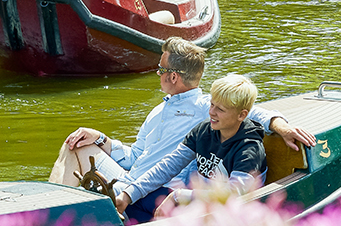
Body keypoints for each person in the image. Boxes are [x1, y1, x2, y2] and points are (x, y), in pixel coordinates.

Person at [50, 38, 315, 222]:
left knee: (78, 151)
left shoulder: (204, 109)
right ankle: (51, 206)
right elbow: (137, 158)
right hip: (137, 182)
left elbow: (252, 111)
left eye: (159, 69)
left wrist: (281, 126)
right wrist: (102, 139)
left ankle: (52, 214)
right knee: (78, 142)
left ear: (173, 75)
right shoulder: (161, 111)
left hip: (157, 191)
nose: (214, 111)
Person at [110, 74, 269, 218]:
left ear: (242, 114)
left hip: (226, 218)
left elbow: (233, 194)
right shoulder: (204, 130)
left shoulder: (249, 149)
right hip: (197, 205)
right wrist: (128, 194)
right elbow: (170, 164)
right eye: (212, 104)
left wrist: (180, 195)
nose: (211, 112)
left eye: (220, 109)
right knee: (131, 202)